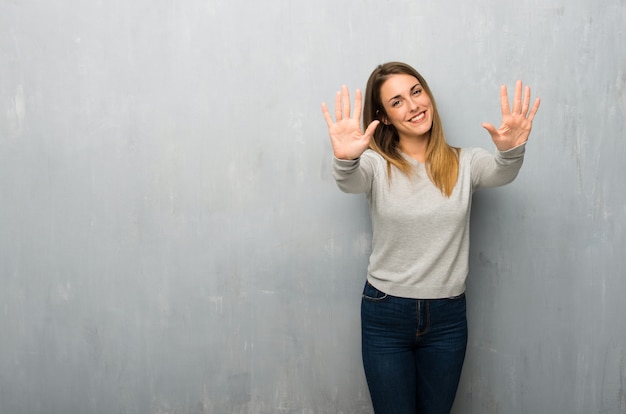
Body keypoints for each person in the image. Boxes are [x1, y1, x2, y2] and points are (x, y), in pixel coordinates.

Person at [321, 62, 540, 414]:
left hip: (447, 318)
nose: (413, 105)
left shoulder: (465, 162)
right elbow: (350, 181)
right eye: (397, 102)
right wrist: (346, 160)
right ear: (385, 117)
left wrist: (511, 150)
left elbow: (501, 172)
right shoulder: (376, 165)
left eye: (416, 92)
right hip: (385, 313)